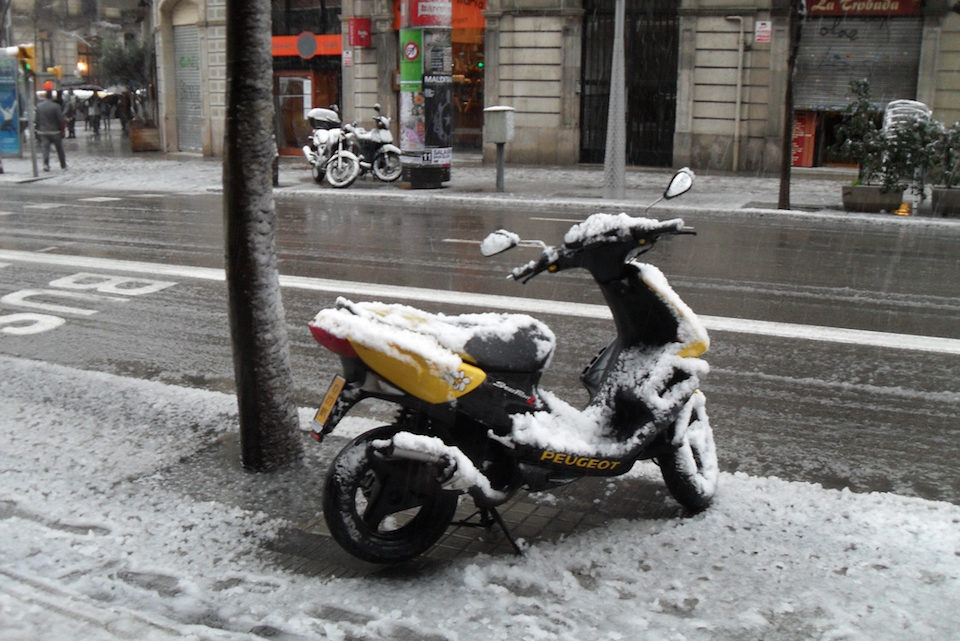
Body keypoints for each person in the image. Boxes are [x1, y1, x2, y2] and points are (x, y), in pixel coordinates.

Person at [36, 90, 67, 171]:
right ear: (52, 97)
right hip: (55, 131)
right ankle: (63, 165)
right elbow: (60, 119)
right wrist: (62, 130)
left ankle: (46, 164)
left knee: (45, 148)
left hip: (43, 131)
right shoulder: (56, 106)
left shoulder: (39, 106)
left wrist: (38, 129)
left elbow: (37, 119)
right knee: (59, 149)